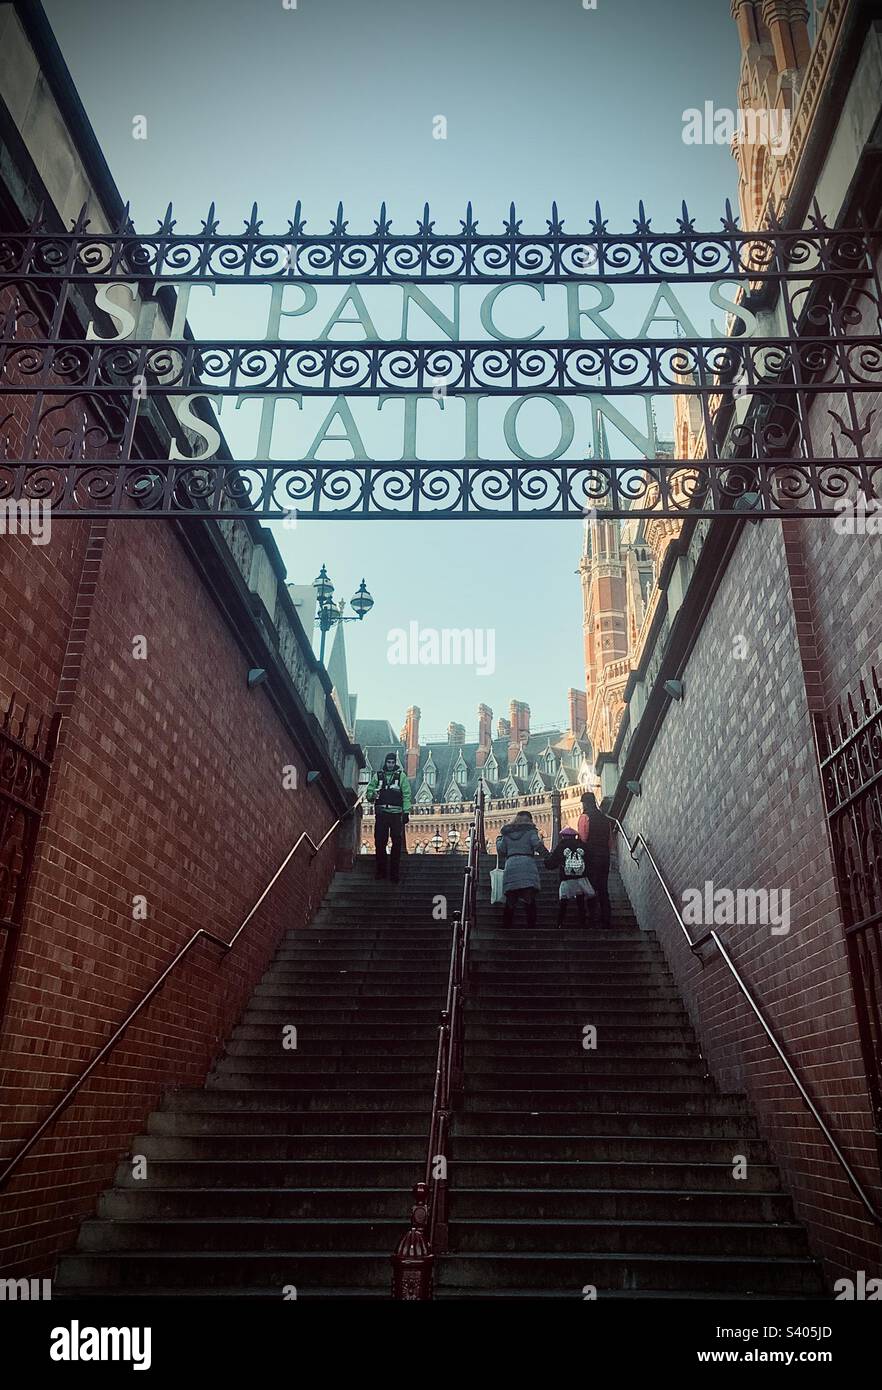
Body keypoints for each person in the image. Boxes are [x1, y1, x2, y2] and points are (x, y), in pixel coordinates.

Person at [496, 810, 546, 929]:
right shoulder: (530, 831)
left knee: (511, 900)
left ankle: (507, 927)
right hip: (527, 864)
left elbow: (501, 850)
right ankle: (531, 927)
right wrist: (548, 856)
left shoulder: (507, 833)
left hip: (511, 865)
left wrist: (499, 840)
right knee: (529, 898)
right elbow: (537, 845)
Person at [366, 753, 412, 882]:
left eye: (392, 762)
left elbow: (407, 794)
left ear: (395, 763)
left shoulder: (401, 776)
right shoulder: (378, 776)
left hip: (396, 814)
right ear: (385, 763)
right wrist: (372, 794)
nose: (390, 765)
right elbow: (369, 791)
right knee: (380, 842)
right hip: (381, 814)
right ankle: (381, 871)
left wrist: (406, 812)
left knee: (396, 843)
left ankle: (394, 873)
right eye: (388, 762)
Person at [544, 825, 595, 928]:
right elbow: (590, 860)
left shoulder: (561, 846)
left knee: (564, 902)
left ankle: (560, 923)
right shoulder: (582, 845)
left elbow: (552, 862)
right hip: (581, 878)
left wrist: (546, 862)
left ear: (563, 836)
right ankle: (583, 922)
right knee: (580, 901)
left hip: (566, 879)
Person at [577, 792, 613, 928]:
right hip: (604, 856)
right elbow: (610, 842)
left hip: (591, 857)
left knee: (590, 888)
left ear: (585, 803)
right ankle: (606, 919)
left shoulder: (585, 817)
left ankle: (592, 918)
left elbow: (583, 838)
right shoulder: (605, 819)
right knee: (603, 888)